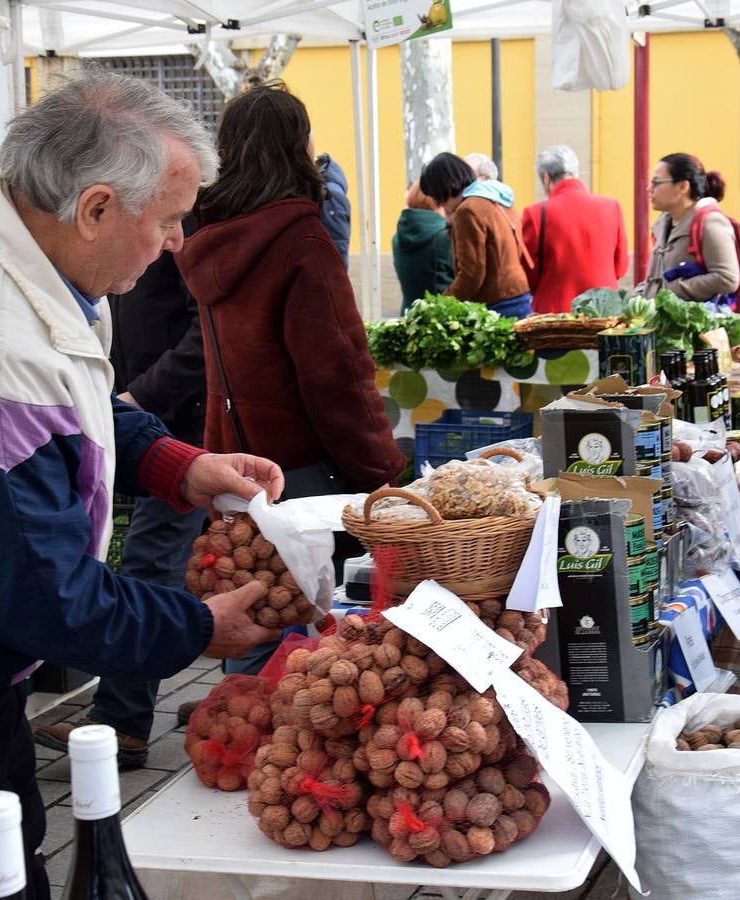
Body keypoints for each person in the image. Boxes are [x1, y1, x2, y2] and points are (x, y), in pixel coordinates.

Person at [0, 70, 286, 898]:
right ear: (96, 207)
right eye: (169, 220)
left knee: (1, 842)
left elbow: (71, 408)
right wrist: (193, 628)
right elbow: (48, 597)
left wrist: (177, 464)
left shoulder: (5, 247)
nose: (177, 242)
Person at [176, 82, 405, 672]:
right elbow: (338, 376)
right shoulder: (302, 241)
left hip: (236, 472)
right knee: (307, 644)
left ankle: (245, 751)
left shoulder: (209, 239)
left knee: (251, 625)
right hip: (307, 482)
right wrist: (386, 475)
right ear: (298, 147)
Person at [34, 247, 208, 769]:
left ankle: (122, 720)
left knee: (150, 560)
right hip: (137, 419)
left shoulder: (177, 227)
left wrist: (139, 399)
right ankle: (124, 713)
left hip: (172, 420)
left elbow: (205, 339)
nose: (173, 235)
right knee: (158, 561)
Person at [419, 151, 532, 317]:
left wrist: (440, 306)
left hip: (498, 303)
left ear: (443, 189)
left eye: (436, 197)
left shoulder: (468, 210)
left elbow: (471, 274)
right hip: (518, 295)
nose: (439, 204)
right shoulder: (496, 197)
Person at [521, 145, 628, 314]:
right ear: (575, 172)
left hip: (556, 312)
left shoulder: (535, 213)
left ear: (546, 178)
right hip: (604, 312)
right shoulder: (611, 206)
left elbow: (527, 272)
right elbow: (620, 266)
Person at [635, 153, 740, 303]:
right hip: (661, 321)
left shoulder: (709, 222)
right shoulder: (663, 224)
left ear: (683, 186)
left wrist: (671, 291)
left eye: (656, 183)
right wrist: (635, 299)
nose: (649, 189)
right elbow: (655, 281)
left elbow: (727, 278)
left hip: (697, 323)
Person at [392, 180, 454, 311]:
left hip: (410, 315)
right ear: (440, 201)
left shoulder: (397, 237)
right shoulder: (443, 237)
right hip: (441, 318)